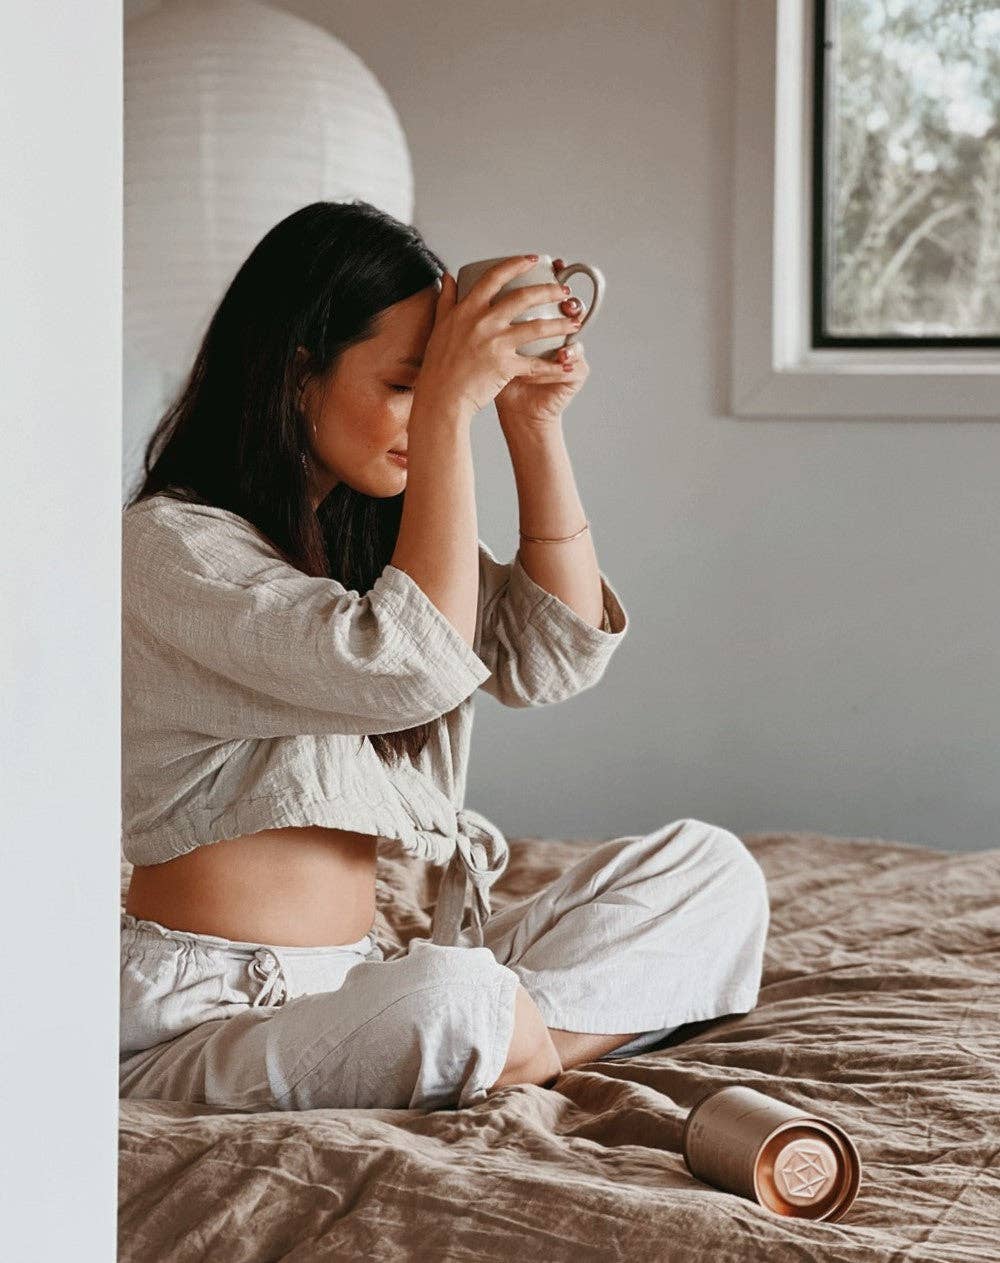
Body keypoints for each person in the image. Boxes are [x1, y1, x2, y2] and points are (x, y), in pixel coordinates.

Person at [119, 199, 770, 1113]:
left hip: (361, 982)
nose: (428, 416)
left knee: (712, 872)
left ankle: (508, 1040)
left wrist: (530, 422)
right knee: (453, 996)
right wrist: (454, 410)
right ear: (298, 373)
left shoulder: (365, 534)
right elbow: (405, 667)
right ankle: (504, 1036)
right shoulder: (169, 546)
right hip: (207, 1017)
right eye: (405, 384)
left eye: (440, 388)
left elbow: (553, 655)